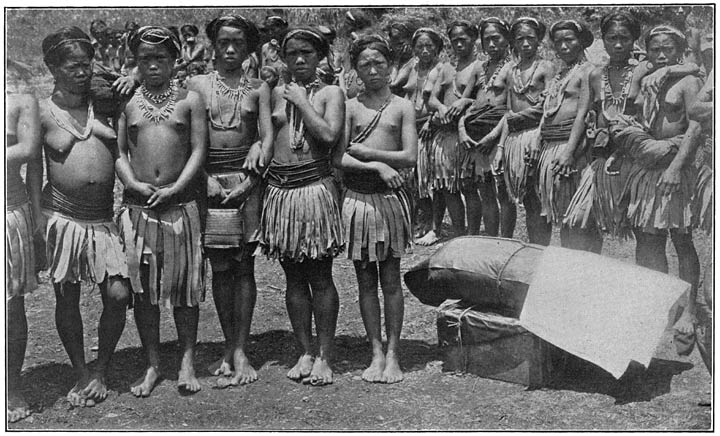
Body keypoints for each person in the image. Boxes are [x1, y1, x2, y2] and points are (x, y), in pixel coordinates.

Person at [38, 27, 131, 407]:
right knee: (68, 297)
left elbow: (144, 82)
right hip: (62, 216)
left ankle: (102, 368)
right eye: (74, 66)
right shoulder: (43, 111)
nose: (82, 72)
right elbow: (30, 168)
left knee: (118, 294)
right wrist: (35, 222)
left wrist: (132, 76)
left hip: (101, 217)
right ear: (53, 68)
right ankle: (80, 370)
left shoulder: (105, 105)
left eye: (87, 65)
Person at [116, 26, 207, 397]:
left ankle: (187, 359)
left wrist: (176, 187)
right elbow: (119, 151)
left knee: (185, 287)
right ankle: (153, 362)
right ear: (135, 63)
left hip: (180, 206)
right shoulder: (127, 100)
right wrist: (133, 184)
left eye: (160, 59)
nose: (153, 66)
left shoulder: (190, 100)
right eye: (144, 60)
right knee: (145, 291)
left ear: (174, 61)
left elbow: (199, 149)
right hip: (139, 208)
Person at [254, 27, 345, 386]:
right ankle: (304, 349)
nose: (299, 60)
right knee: (293, 276)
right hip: (281, 191)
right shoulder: (273, 92)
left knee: (320, 276)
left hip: (314, 189)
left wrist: (302, 102)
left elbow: (327, 135)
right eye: (292, 54)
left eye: (307, 53)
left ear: (320, 56)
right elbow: (264, 139)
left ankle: (325, 354)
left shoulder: (331, 93)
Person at [187, 15, 272, 388]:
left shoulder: (259, 88)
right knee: (220, 266)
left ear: (249, 47)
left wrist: (254, 174)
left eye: (238, 42)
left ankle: (241, 347)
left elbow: (267, 136)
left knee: (244, 267)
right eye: (224, 42)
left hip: (246, 184)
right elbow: (184, 137)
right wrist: (201, 178)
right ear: (213, 45)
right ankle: (226, 343)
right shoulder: (196, 85)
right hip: (208, 184)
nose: (231, 49)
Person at [612, 25, 702, 338]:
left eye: (668, 49)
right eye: (655, 49)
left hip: (674, 171)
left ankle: (688, 311)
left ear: (679, 51)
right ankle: (655, 304)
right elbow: (633, 115)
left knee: (681, 240)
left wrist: (676, 167)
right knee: (647, 242)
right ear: (646, 51)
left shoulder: (689, 81)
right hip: (644, 170)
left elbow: (696, 128)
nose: (662, 54)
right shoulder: (645, 77)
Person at [338, 35, 417, 383]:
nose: (372, 71)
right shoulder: (349, 106)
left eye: (379, 64)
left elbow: (409, 157)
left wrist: (372, 155)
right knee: (364, 280)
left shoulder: (402, 106)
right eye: (365, 65)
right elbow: (338, 157)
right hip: (357, 200)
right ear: (355, 69)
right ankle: (375, 352)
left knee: (391, 279)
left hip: (389, 202)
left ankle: (394, 353)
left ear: (391, 67)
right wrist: (375, 168)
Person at [564, 12, 642, 238]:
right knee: (581, 222)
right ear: (603, 39)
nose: (618, 45)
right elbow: (584, 113)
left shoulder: (644, 70)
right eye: (611, 38)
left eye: (624, 38)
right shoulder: (595, 74)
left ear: (634, 39)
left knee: (643, 232)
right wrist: (571, 151)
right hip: (601, 157)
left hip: (635, 158)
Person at [535, 20, 602, 252]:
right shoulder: (561, 73)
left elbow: (584, 115)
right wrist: (538, 143)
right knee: (564, 214)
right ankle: (571, 268)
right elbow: (547, 113)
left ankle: (587, 270)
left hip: (572, 148)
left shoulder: (588, 71)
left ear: (582, 42)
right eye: (558, 42)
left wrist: (570, 152)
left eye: (569, 40)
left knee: (578, 214)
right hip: (552, 146)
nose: (563, 46)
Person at [492, 17, 554, 244]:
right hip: (514, 140)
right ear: (514, 43)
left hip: (536, 136)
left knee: (537, 198)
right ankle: (527, 249)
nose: (526, 43)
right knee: (522, 195)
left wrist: (538, 137)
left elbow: (547, 107)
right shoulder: (511, 71)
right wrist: (500, 148)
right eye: (520, 39)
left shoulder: (546, 67)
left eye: (530, 38)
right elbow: (508, 112)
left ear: (539, 40)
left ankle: (539, 248)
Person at [458, 17, 517, 237]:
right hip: (474, 136)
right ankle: (490, 241)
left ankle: (506, 241)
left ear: (506, 40)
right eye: (487, 40)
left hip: (497, 135)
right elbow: (463, 104)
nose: (491, 44)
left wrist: (493, 137)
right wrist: (462, 130)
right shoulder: (478, 68)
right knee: (485, 192)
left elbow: (510, 109)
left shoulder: (512, 69)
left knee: (503, 192)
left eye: (496, 39)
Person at [422, 21, 481, 240]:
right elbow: (433, 98)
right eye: (454, 40)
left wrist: (465, 100)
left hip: (463, 134)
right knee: (447, 187)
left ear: (473, 40)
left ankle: (473, 235)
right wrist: (441, 108)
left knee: (467, 186)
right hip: (443, 136)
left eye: (463, 39)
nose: (458, 44)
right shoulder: (446, 68)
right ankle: (458, 233)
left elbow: (481, 99)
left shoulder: (478, 67)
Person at [6, 92, 41, 423]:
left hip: (9, 212)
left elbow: (29, 150)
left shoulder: (19, 100)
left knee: (11, 305)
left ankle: (11, 385)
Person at [406, 27, 451, 245]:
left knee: (433, 180)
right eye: (419, 46)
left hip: (430, 128)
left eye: (429, 46)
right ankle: (423, 221)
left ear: (437, 48)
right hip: (410, 127)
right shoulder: (411, 67)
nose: (424, 50)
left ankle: (435, 226)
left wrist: (432, 120)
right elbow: (395, 86)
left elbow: (444, 99)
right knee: (417, 179)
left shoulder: (441, 69)